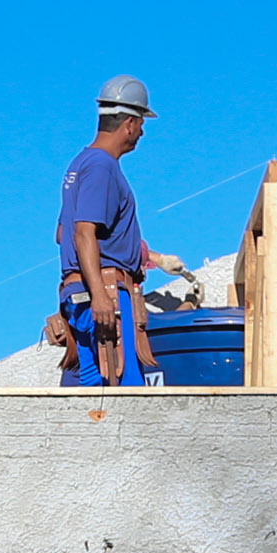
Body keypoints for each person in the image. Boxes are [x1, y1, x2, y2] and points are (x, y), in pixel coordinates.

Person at [52, 75, 190, 388]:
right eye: (141, 124)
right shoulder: (103, 166)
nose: (141, 133)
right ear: (129, 123)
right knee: (123, 390)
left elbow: (65, 232)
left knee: (94, 387)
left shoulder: (81, 163)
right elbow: (83, 233)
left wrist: (149, 256)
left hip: (78, 293)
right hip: (107, 294)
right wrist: (101, 296)